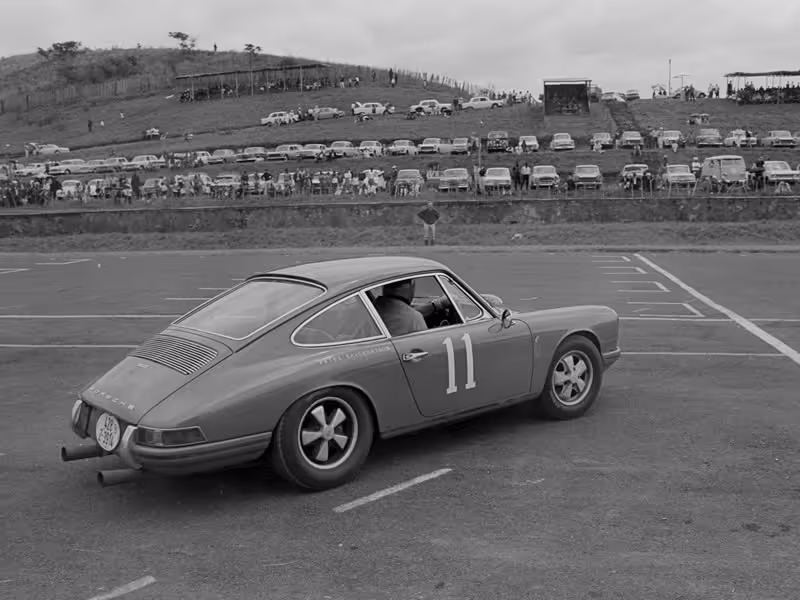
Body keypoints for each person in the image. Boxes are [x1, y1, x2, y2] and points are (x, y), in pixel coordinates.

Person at [374, 279, 451, 337]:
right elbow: (428, 345)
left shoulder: (374, 307)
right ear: (412, 284)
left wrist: (438, 304)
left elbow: (402, 311)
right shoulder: (414, 319)